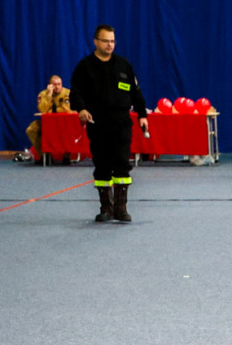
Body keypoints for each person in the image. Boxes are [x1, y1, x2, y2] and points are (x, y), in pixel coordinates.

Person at [70, 24, 148, 221]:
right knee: (102, 164)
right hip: (98, 123)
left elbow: (136, 93)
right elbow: (75, 94)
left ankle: (121, 208)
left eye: (113, 41)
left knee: (122, 163)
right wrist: (81, 109)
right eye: (106, 41)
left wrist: (142, 115)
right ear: (96, 42)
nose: (110, 45)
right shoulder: (84, 67)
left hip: (121, 123)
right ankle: (106, 208)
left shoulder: (123, 65)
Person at [23, 75, 72, 163]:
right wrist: (49, 95)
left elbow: (66, 109)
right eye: (55, 84)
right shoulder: (43, 94)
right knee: (31, 130)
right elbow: (42, 109)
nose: (57, 87)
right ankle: (43, 156)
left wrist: (51, 111)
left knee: (72, 129)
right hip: (47, 123)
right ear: (50, 85)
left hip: (64, 124)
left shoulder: (67, 93)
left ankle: (66, 156)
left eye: (59, 84)